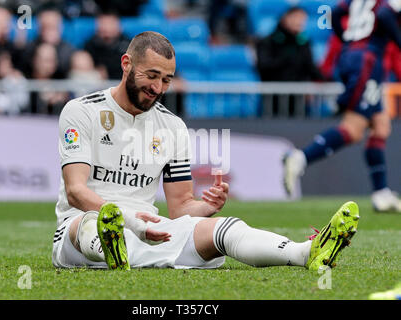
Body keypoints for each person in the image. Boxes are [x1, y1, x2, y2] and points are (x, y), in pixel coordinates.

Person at [52, 31, 359, 271]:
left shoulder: (172, 127)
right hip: (80, 236)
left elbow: (180, 207)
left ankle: (304, 252)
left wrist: (205, 207)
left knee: (223, 229)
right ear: (126, 64)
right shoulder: (82, 111)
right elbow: (76, 192)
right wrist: (132, 222)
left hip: (150, 231)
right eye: (152, 75)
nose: (158, 88)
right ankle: (114, 245)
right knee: (89, 224)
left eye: (167, 80)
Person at [283, 0, 401, 212]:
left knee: (381, 125)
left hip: (353, 56)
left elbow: (336, 12)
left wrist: (347, 40)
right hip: (368, 61)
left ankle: (381, 193)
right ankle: (300, 158)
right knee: (353, 129)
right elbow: (384, 15)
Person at [83, 12, 130, 80]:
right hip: (97, 84)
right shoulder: (91, 44)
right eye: (103, 23)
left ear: (119, 26)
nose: (106, 28)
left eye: (110, 24)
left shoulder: (129, 45)